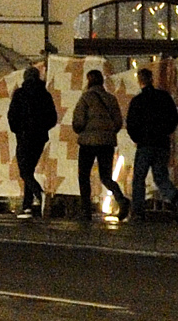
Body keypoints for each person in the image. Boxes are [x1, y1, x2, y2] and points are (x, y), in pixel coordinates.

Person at [124, 68, 178, 218]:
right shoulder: (164, 97)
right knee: (160, 176)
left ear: (139, 81)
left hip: (145, 144)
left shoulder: (137, 101)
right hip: (162, 143)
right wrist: (165, 132)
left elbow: (131, 124)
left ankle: (138, 210)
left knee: (139, 177)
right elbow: (174, 119)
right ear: (152, 79)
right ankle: (176, 198)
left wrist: (138, 138)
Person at [69, 68, 124, 220]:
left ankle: (86, 210)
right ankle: (121, 199)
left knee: (84, 176)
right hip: (107, 142)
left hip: (88, 142)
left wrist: (82, 129)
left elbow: (78, 123)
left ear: (89, 81)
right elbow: (118, 122)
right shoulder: (111, 99)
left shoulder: (85, 98)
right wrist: (108, 132)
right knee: (106, 176)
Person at [7, 64, 57, 216]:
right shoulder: (45, 94)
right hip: (39, 138)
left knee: (24, 171)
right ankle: (27, 205)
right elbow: (52, 118)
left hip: (23, 136)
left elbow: (12, 115)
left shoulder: (20, 94)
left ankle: (39, 194)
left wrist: (18, 129)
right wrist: (42, 129)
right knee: (29, 169)